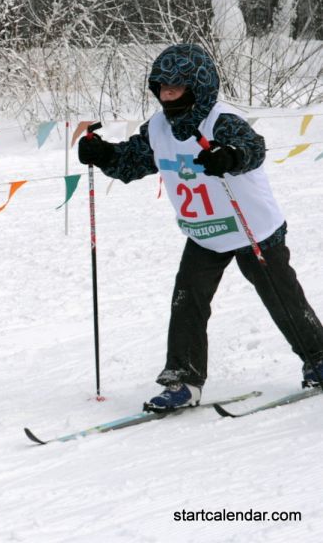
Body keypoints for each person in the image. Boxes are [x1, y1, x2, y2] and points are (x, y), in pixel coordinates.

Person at [77, 43, 323, 411]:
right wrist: (104, 155)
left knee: (281, 296)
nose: (166, 96)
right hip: (204, 234)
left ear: (197, 87)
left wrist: (229, 156)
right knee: (187, 302)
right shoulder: (159, 128)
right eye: (161, 88)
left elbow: (252, 147)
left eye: (175, 89)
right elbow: (132, 162)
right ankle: (183, 380)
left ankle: (318, 359)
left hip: (252, 229)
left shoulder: (220, 120)